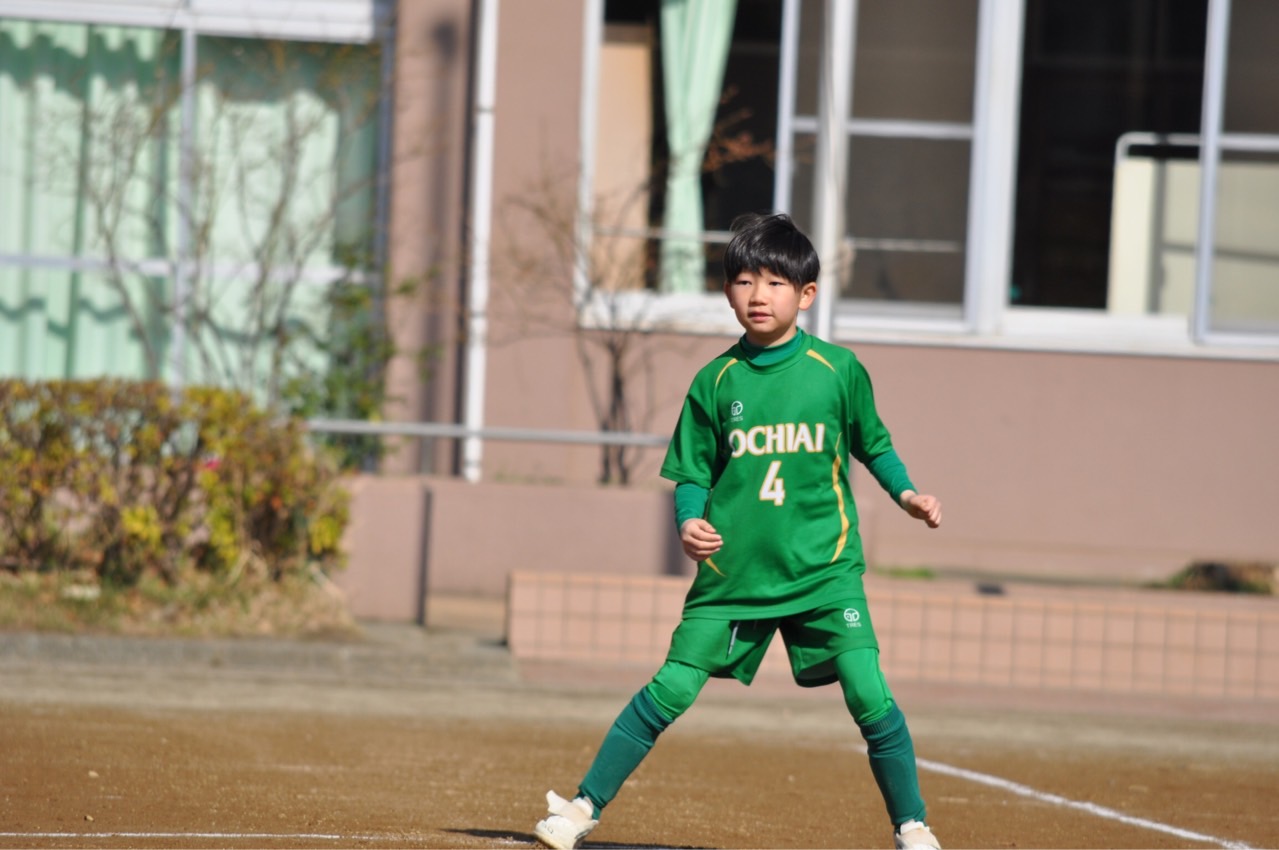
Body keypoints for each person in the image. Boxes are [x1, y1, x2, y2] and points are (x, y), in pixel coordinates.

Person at [533, 212, 944, 850]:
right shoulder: (715, 381)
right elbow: (691, 474)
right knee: (672, 686)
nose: (759, 295)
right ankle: (582, 808)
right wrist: (688, 521)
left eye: (775, 282)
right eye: (745, 281)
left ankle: (912, 825)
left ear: (806, 294)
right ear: (726, 291)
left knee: (868, 691)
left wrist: (907, 493)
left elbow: (875, 446)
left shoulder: (838, 370)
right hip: (733, 576)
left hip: (824, 572)